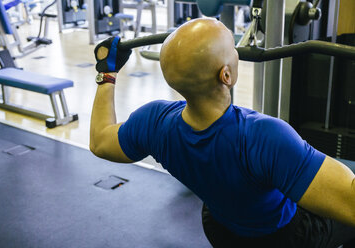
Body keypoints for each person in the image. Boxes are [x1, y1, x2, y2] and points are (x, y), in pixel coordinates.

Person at [90, 18, 355, 248]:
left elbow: (100, 141)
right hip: (281, 238)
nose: (238, 53)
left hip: (221, 230)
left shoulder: (154, 122)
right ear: (226, 75)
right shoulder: (264, 136)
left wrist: (107, 74)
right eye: (233, 50)